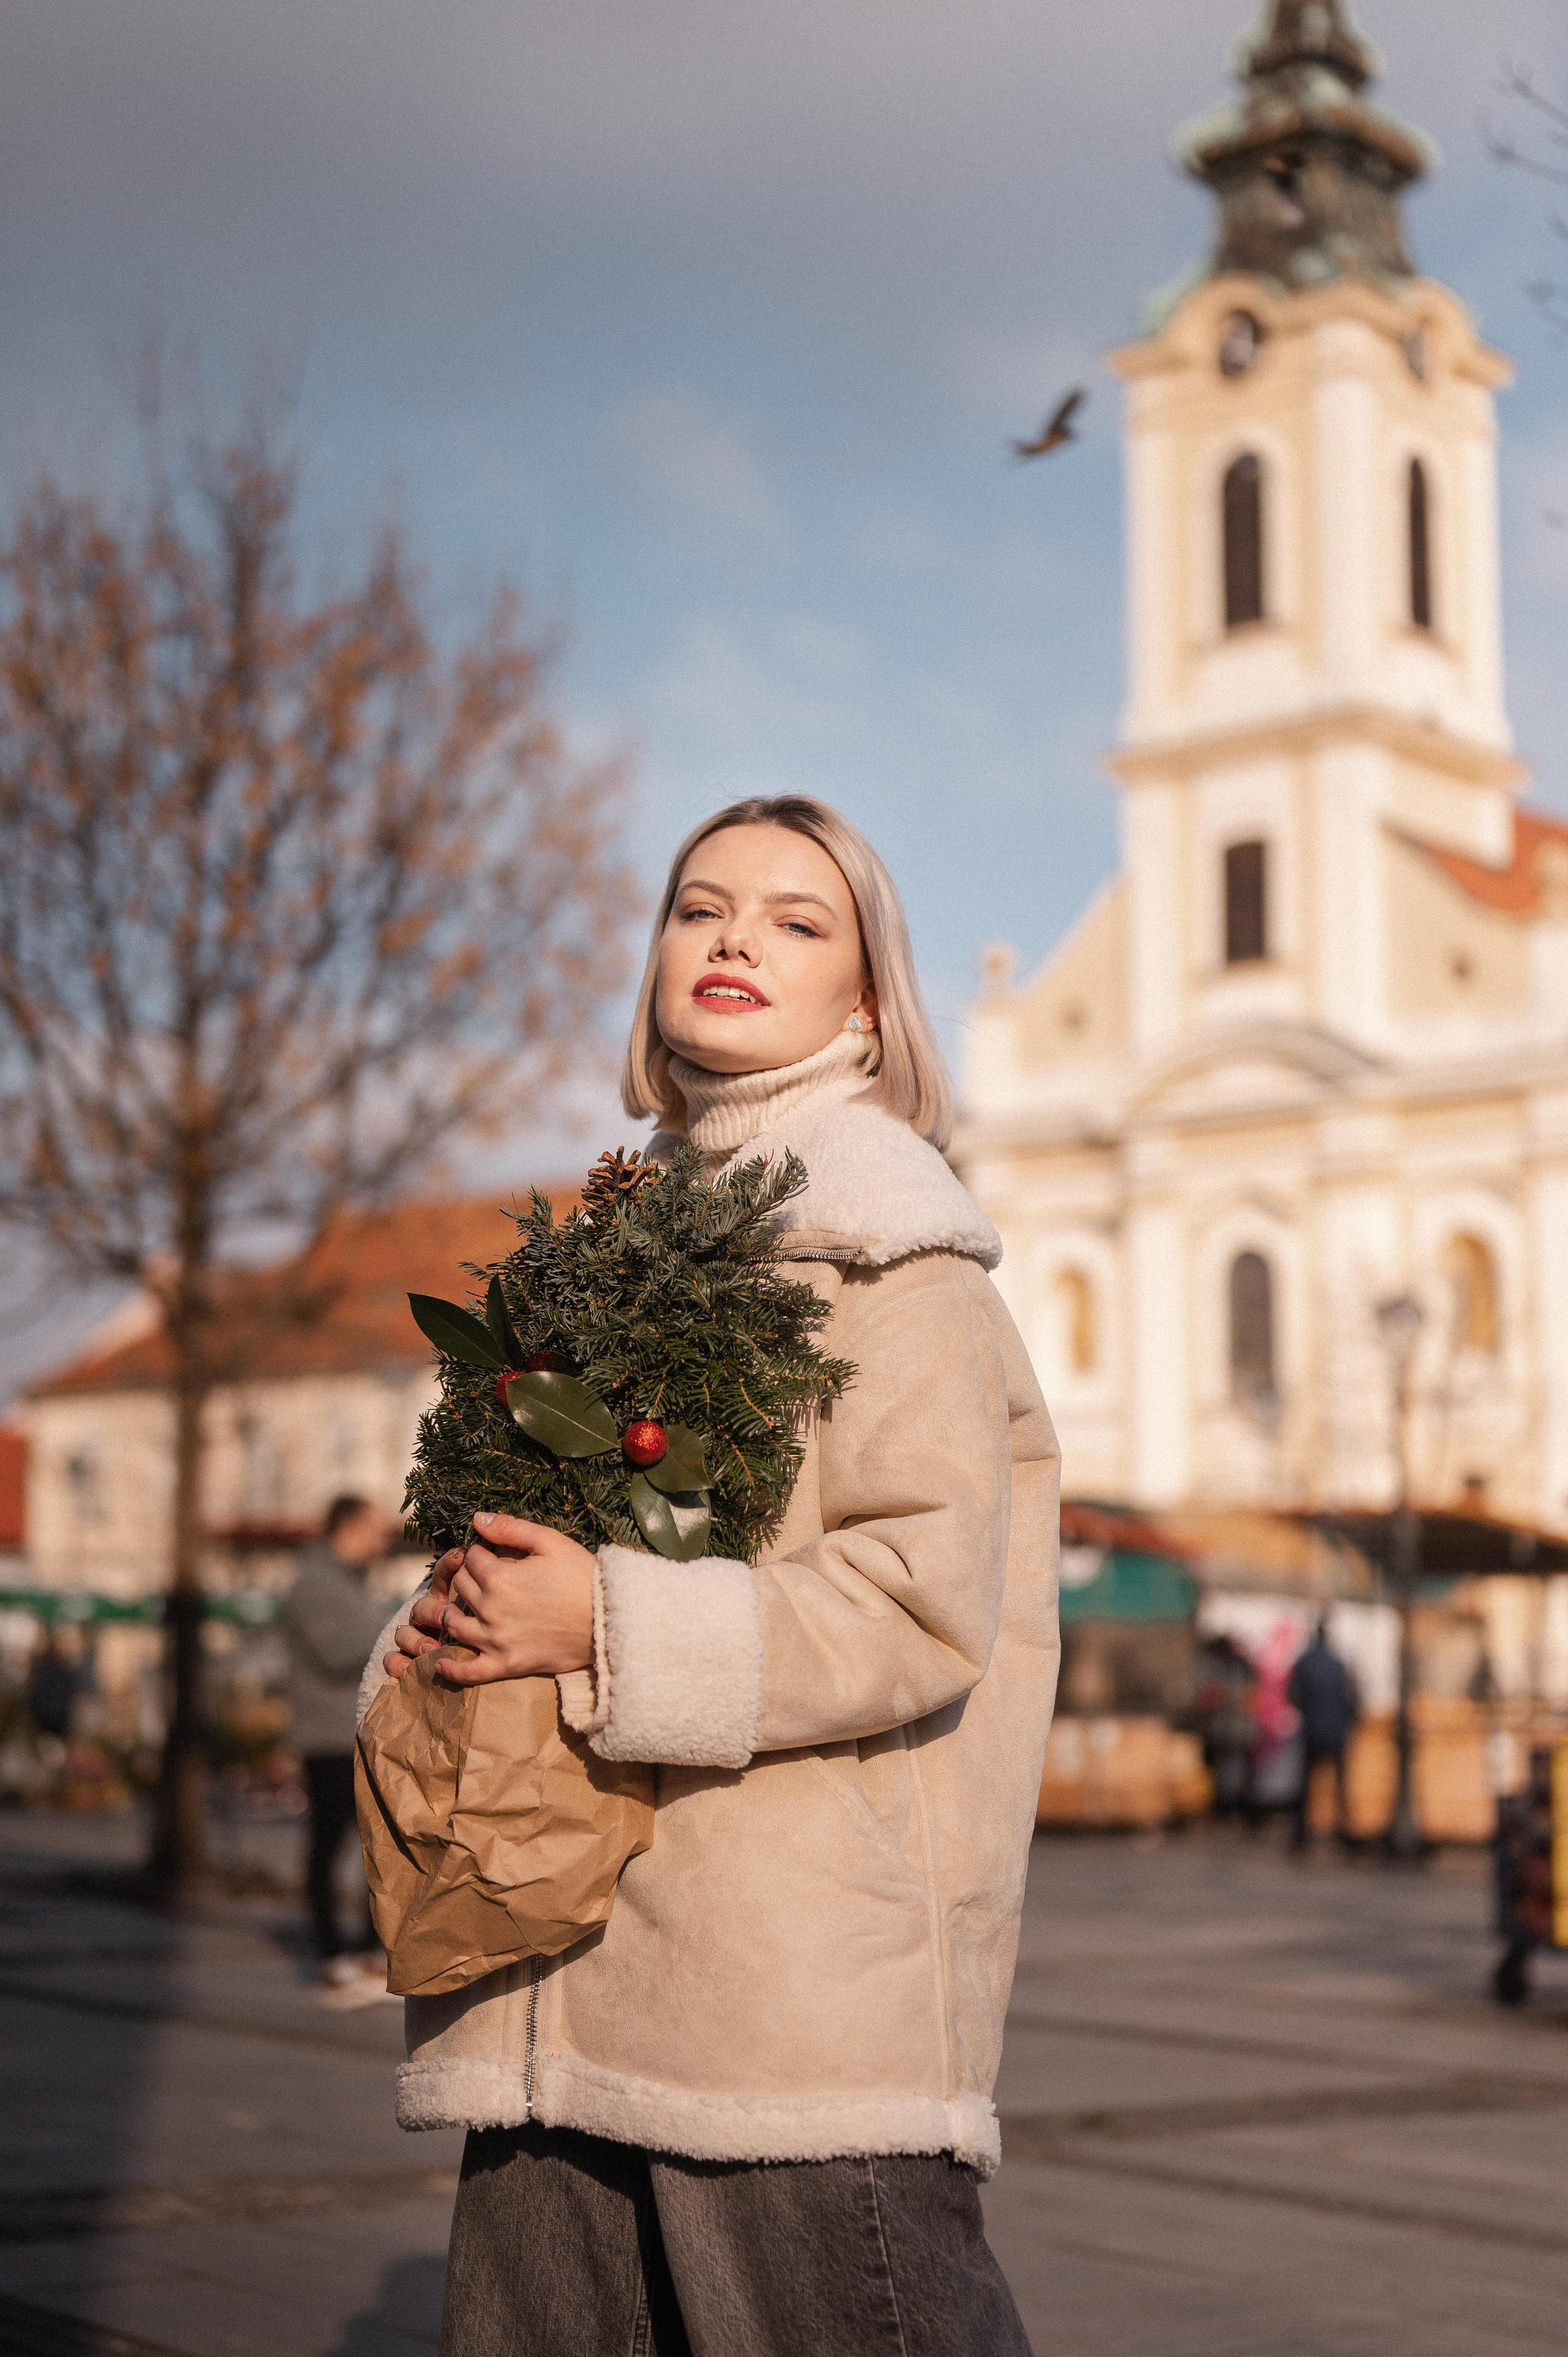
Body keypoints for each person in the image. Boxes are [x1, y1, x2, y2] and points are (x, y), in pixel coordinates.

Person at [368, 796, 1060, 2357]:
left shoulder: (895, 1258)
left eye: (795, 920)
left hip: (786, 2008)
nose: (735, 935)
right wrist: (457, 1619)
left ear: (865, 1005)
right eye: (699, 906)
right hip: (548, 1972)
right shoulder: (578, 1265)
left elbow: (920, 1596)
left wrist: (604, 1618)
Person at [284, 1494, 396, 2005]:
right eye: (375, 1528)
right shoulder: (315, 1584)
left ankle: (369, 1953)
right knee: (330, 1845)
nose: (383, 1538)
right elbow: (340, 1652)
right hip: (329, 1736)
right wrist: (400, 1634)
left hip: (357, 1731)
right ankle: (334, 1960)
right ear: (348, 1529)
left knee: (375, 1845)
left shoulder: (352, 1584)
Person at [1286, 1618, 1360, 1849]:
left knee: (1305, 1787)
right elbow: (1352, 1698)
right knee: (1340, 1786)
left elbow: (1292, 1695)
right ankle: (1343, 1833)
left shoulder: (1304, 1662)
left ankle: (1301, 1835)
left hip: (1311, 1731)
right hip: (1335, 1731)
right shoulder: (1338, 1664)